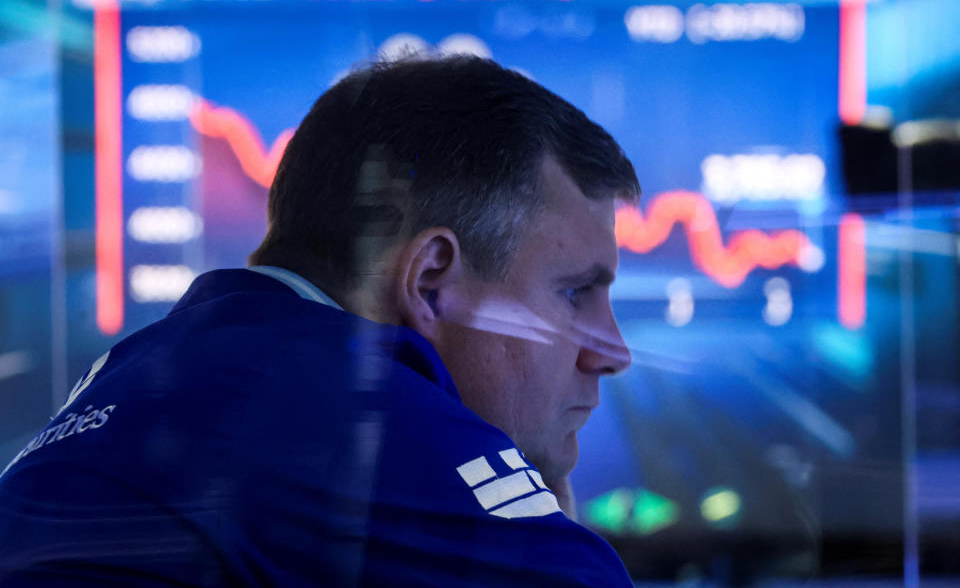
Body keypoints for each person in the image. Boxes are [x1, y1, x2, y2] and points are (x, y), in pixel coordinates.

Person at [0, 55, 640, 586]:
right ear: (430, 283)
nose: (612, 350)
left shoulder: (141, 368)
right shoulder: (351, 412)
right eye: (575, 292)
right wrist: (541, 520)